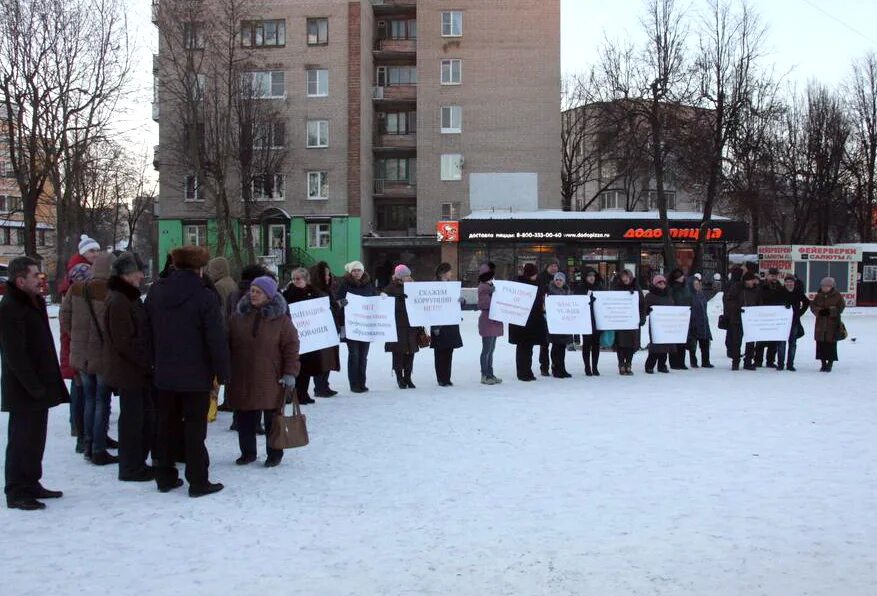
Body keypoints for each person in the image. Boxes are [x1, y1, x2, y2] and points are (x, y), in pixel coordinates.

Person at [146, 245, 230, 497]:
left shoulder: (156, 291)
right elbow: (214, 337)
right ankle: (197, 480)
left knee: (165, 424)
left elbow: (146, 330)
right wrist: (222, 372)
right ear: (200, 267)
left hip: (163, 372)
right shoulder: (205, 296)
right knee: (195, 428)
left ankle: (164, 475)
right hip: (196, 374)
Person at [1, 257, 69, 510]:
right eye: (35, 276)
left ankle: (31, 481)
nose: (40, 279)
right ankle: (17, 490)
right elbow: (14, 354)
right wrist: (34, 386)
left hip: (39, 385)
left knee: (35, 438)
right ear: (20, 280)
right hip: (23, 388)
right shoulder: (10, 307)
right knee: (21, 439)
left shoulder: (33, 302)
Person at [227, 276, 300, 467]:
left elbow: (291, 346)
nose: (253, 294)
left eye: (258, 291)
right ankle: (247, 452)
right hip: (242, 374)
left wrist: (290, 372)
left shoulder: (281, 320)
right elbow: (227, 343)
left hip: (271, 376)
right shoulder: (237, 317)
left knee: (272, 419)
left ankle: (274, 453)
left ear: (268, 295)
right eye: (251, 290)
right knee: (244, 417)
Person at [102, 253, 155, 481]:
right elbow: (124, 341)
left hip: (136, 370)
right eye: (138, 272)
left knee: (140, 418)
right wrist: (146, 361)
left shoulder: (128, 298)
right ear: (126, 274)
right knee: (132, 420)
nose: (142, 276)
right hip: (130, 371)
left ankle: (136, 462)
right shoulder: (119, 301)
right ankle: (131, 466)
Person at [61, 251, 117, 465]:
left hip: (81, 355)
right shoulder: (110, 293)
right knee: (102, 400)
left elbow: (65, 318)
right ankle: (98, 447)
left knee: (89, 398)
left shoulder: (76, 288)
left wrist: (76, 337)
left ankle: (87, 442)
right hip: (101, 356)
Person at [58, 234, 102, 454]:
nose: (95, 254)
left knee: (84, 391)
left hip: (78, 345)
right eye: (91, 251)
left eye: (96, 251)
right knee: (85, 392)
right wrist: (77, 336)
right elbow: (68, 318)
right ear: (82, 253)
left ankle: (84, 435)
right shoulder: (80, 277)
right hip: (81, 347)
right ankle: (84, 435)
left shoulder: (75, 275)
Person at [283, 267, 339, 402]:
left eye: (298, 279)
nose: (295, 281)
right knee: (296, 366)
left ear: (306, 279)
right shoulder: (287, 294)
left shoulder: (314, 293)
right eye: (293, 279)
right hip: (295, 335)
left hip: (311, 336)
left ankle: (303, 393)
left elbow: (323, 308)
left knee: (308, 366)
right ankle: (292, 395)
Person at [337, 261, 377, 393]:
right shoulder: (344, 285)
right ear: (350, 272)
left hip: (365, 326)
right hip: (351, 326)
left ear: (363, 271)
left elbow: (374, 301)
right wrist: (342, 306)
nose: (357, 273)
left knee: (363, 356)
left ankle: (362, 382)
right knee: (354, 354)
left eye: (359, 270)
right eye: (354, 271)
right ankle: (354, 383)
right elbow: (338, 303)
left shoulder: (369, 285)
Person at [381, 264, 422, 389]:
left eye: (409, 275)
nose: (409, 278)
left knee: (411, 352)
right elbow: (385, 304)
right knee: (398, 352)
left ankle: (408, 377)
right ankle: (400, 377)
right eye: (406, 276)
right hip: (398, 325)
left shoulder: (414, 288)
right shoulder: (391, 288)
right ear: (400, 277)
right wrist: (399, 299)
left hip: (411, 325)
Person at [509, 263, 548, 381]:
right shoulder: (520, 284)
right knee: (523, 348)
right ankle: (522, 372)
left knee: (528, 348)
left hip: (533, 321)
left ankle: (528, 371)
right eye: (534, 274)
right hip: (522, 321)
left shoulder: (537, 284)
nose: (535, 276)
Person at [430, 262, 464, 387]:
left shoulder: (452, 286)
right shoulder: (434, 287)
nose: (451, 273)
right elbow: (431, 307)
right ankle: (441, 378)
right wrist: (435, 326)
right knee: (440, 352)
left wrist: (461, 300)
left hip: (451, 323)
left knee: (449, 351)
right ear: (443, 273)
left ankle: (447, 378)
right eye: (449, 271)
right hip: (439, 324)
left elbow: (456, 303)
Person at [310, 261, 340, 397]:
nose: (328, 277)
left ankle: (324, 385)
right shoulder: (316, 291)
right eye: (325, 274)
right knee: (322, 359)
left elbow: (331, 307)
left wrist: (337, 305)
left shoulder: (327, 290)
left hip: (330, 328)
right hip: (321, 330)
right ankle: (320, 387)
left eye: (329, 274)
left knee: (329, 358)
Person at [611, 269, 647, 375]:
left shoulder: (636, 288)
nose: (625, 279)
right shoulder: (617, 287)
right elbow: (611, 302)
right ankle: (621, 364)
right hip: (620, 321)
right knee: (620, 344)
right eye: (623, 277)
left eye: (627, 276)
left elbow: (642, 304)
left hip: (632, 321)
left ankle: (629, 364)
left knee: (631, 344)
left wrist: (642, 317)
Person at [810, 277, 845, 372]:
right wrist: (819, 311)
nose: (825, 288)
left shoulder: (837, 296)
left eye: (827, 286)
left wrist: (830, 311)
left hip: (832, 325)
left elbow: (841, 308)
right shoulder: (818, 296)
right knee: (821, 345)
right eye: (823, 286)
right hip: (820, 325)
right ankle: (823, 364)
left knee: (831, 345)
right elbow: (812, 306)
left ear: (832, 287)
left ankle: (830, 364)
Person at [477, 264, 503, 385]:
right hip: (487, 321)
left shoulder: (491, 286)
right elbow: (483, 304)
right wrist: (492, 294)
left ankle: (490, 374)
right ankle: (484, 375)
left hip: (494, 321)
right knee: (486, 350)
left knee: (491, 350)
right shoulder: (483, 287)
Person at [777, 274, 810, 371]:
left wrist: (800, 312)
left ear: (794, 283)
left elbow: (806, 302)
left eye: (791, 282)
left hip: (794, 321)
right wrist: (782, 306)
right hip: (782, 322)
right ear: (785, 283)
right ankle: (780, 364)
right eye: (787, 282)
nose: (789, 284)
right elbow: (775, 303)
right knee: (781, 344)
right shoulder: (780, 291)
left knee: (792, 343)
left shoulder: (798, 291)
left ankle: (790, 364)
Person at [573, 268, 602, 376]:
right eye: (589, 275)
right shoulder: (580, 288)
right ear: (585, 277)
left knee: (596, 345)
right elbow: (577, 303)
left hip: (597, 320)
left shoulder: (599, 287)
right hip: (585, 320)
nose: (591, 277)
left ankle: (595, 367)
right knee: (586, 345)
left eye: (593, 275)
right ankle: (587, 367)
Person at [756, 268, 786, 367]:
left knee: (773, 341)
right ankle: (758, 360)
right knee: (760, 340)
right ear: (768, 276)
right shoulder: (761, 286)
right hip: (762, 316)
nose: (774, 278)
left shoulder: (780, 287)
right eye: (772, 276)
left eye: (775, 276)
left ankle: (770, 361)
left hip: (775, 317)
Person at [644, 275, 674, 373]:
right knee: (656, 344)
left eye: (663, 283)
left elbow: (673, 306)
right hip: (655, 325)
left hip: (667, 323)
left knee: (665, 345)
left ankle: (662, 365)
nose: (662, 285)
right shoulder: (650, 296)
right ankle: (650, 365)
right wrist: (648, 310)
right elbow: (644, 309)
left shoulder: (668, 295)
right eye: (659, 283)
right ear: (655, 284)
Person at [535, 259, 560, 376]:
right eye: (552, 266)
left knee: (556, 342)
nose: (554, 268)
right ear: (547, 266)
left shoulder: (560, 278)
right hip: (544, 314)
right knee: (544, 343)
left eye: (556, 266)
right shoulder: (540, 278)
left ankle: (556, 365)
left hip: (557, 315)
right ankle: (544, 367)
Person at [546, 272, 573, 378]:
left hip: (564, 323)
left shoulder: (567, 291)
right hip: (554, 323)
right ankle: (555, 368)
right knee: (556, 346)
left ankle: (562, 368)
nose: (558, 282)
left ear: (564, 281)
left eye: (560, 280)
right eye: (556, 279)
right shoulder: (549, 291)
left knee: (562, 346)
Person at [667, 269, 691, 369]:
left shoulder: (685, 288)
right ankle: (674, 362)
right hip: (674, 316)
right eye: (679, 276)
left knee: (683, 340)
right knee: (674, 340)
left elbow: (689, 299)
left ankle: (681, 362)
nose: (682, 278)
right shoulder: (671, 288)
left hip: (684, 316)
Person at [688, 276, 713, 368]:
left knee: (705, 342)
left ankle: (706, 361)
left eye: (699, 284)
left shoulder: (701, 295)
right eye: (696, 284)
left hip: (703, 322)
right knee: (693, 344)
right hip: (693, 323)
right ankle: (693, 362)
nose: (698, 286)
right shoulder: (690, 296)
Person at [723, 266, 744, 370]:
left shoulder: (729, 285)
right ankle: (733, 354)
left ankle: (732, 352)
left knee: (732, 335)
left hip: (731, 314)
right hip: (735, 314)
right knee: (735, 337)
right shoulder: (737, 286)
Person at [740, 272, 762, 370]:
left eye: (753, 280)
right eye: (750, 280)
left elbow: (759, 302)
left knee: (751, 341)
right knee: (737, 340)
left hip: (752, 318)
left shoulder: (757, 291)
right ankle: (735, 360)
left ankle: (748, 361)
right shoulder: (740, 290)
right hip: (740, 317)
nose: (752, 282)